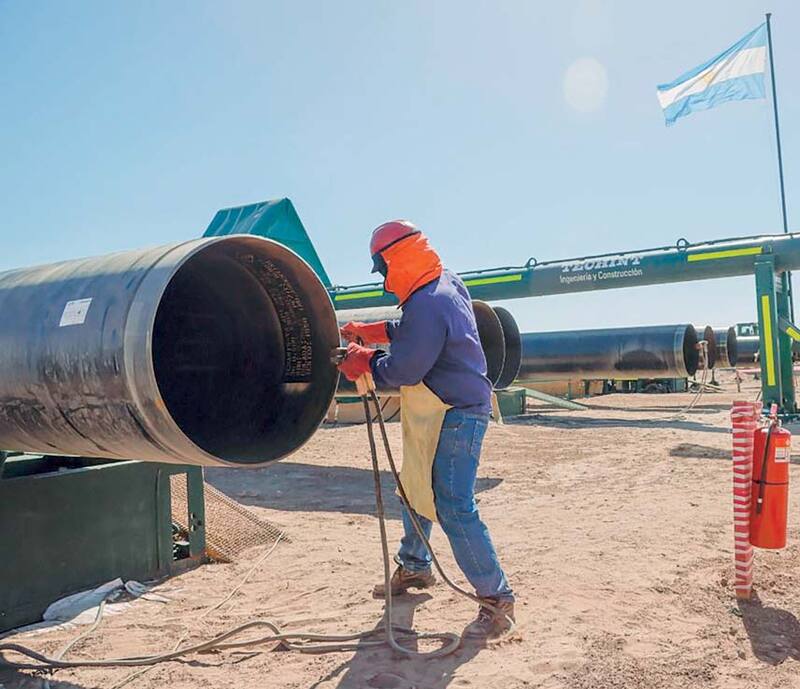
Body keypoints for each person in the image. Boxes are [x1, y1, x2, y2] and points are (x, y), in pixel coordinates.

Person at [338, 220, 515, 639]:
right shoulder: (443, 284)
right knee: (414, 485)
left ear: (392, 259)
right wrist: (369, 332)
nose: (383, 282)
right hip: (443, 407)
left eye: (381, 271)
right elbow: (410, 332)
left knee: (453, 504)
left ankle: (498, 599)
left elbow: (404, 368)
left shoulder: (428, 302)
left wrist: (365, 361)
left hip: (455, 412)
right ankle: (416, 568)